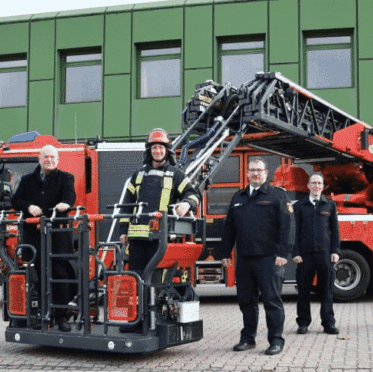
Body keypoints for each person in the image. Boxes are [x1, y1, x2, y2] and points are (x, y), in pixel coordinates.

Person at [215, 157, 294, 355]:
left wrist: (283, 253)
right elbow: (229, 228)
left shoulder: (277, 195)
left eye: (259, 170)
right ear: (247, 173)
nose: (256, 174)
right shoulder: (238, 197)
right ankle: (248, 339)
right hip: (245, 259)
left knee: (271, 301)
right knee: (246, 301)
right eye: (252, 170)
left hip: (269, 258)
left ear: (266, 173)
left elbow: (287, 226)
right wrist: (225, 252)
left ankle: (276, 340)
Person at [11, 144, 76, 332]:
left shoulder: (65, 178)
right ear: (39, 159)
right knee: (39, 276)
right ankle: (42, 314)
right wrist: (28, 207)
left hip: (57, 237)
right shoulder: (26, 180)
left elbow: (70, 196)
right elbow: (15, 201)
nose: (50, 161)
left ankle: (62, 316)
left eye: (53, 158)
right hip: (34, 237)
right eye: (46, 157)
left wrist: (65, 204)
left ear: (58, 160)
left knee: (60, 274)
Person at [119, 128, 200, 273]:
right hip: (136, 239)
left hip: (161, 238)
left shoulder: (176, 175)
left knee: (156, 281)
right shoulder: (138, 175)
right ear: (149, 151)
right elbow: (126, 205)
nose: (157, 151)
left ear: (167, 150)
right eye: (154, 147)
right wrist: (123, 231)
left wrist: (187, 204)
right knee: (136, 279)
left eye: (161, 147)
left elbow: (193, 194)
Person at [292, 173, 340, 335]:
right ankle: (303, 323)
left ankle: (328, 323)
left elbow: (335, 231)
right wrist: (296, 252)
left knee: (326, 291)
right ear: (308, 186)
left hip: (325, 254)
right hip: (305, 255)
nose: (316, 186)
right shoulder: (299, 206)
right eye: (313, 183)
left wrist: (335, 251)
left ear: (323, 186)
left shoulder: (330, 205)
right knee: (303, 291)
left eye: (319, 183)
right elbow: (295, 232)